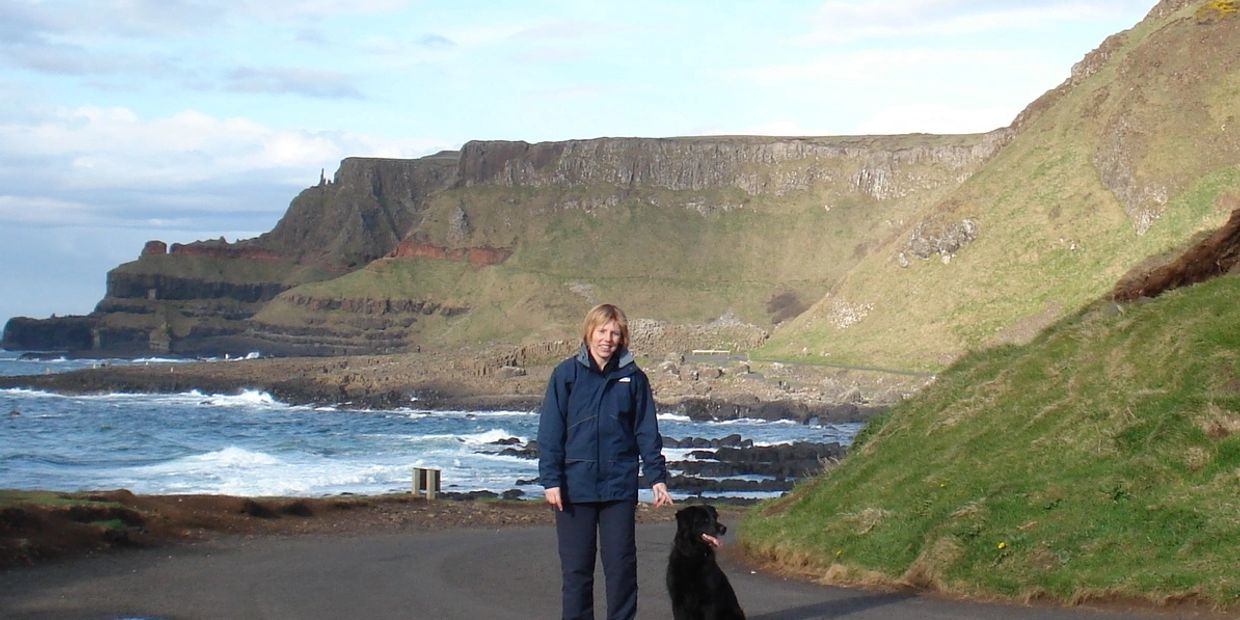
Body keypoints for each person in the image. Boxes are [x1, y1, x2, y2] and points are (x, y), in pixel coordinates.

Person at [538, 303, 673, 620]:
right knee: (576, 571)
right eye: (602, 331)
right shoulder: (565, 375)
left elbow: (646, 430)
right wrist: (551, 480)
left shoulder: (634, 378)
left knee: (622, 568)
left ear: (622, 338)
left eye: (614, 333)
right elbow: (550, 431)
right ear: (589, 332)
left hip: (618, 488)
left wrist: (657, 477)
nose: (607, 339)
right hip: (574, 488)